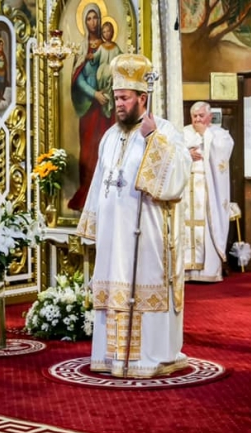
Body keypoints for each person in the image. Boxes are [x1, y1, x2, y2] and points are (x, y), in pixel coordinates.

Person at [76, 53, 191, 378]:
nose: (118, 104)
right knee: (113, 287)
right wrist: (92, 227)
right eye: (116, 98)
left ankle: (151, 358)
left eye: (125, 98)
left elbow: (177, 178)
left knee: (144, 287)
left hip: (147, 237)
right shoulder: (110, 136)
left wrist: (153, 140)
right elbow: (99, 183)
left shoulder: (164, 131)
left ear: (143, 98)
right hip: (113, 238)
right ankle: (111, 357)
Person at [67, 3, 116, 211]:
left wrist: (107, 92)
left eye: (95, 18)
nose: (93, 22)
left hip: (106, 109)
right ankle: (86, 193)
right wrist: (94, 94)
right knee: (88, 150)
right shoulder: (82, 48)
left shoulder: (110, 46)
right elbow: (77, 79)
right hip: (89, 108)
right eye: (88, 18)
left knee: (106, 148)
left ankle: (106, 196)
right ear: (84, 22)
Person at [183, 101, 234, 282]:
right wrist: (186, 154)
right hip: (186, 190)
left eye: (201, 116)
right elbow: (173, 154)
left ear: (210, 117)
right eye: (194, 116)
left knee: (206, 225)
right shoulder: (183, 133)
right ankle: (187, 271)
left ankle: (208, 272)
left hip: (208, 189)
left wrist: (205, 134)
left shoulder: (220, 135)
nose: (197, 119)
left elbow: (222, 155)